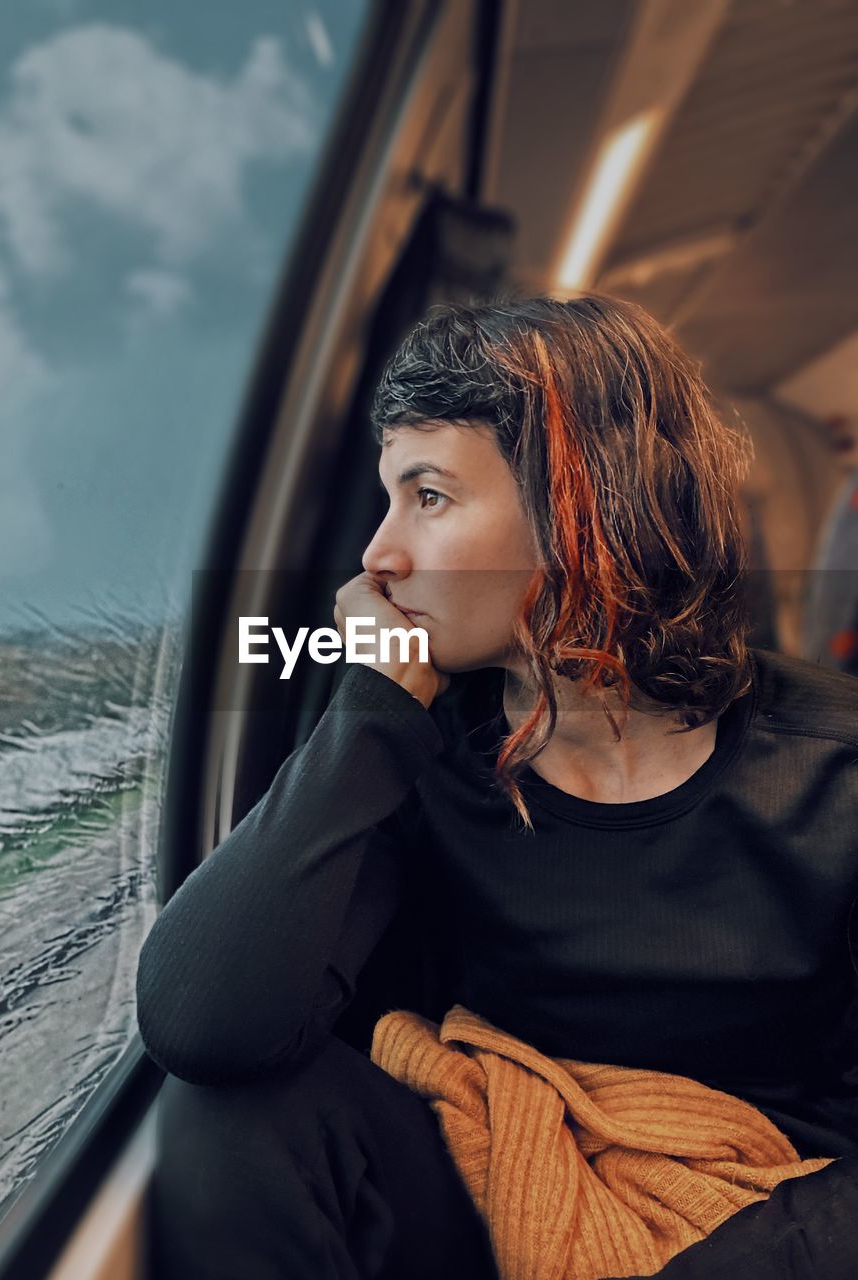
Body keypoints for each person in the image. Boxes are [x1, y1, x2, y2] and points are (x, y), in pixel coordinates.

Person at [136, 293, 858, 1279]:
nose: (377, 555)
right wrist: (369, 713)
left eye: (426, 495)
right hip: (499, 1174)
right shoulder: (416, 750)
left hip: (766, 1215)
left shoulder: (833, 768)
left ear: (581, 509)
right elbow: (203, 1024)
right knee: (232, 1115)